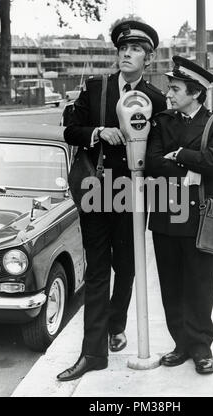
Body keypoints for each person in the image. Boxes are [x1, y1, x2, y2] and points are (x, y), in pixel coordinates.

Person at [57, 20, 166, 382]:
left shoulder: (156, 97)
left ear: (148, 59)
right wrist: (98, 132)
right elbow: (70, 130)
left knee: (129, 264)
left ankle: (116, 323)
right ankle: (93, 353)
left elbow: (161, 148)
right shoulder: (97, 88)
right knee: (98, 267)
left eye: (135, 50)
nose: (126, 54)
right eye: (122, 48)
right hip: (97, 187)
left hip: (134, 192)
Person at [145, 56, 213, 374]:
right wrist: (190, 169)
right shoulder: (162, 122)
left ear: (195, 92)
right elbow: (153, 161)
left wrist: (180, 155)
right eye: (170, 87)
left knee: (200, 284)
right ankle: (180, 344)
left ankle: (201, 348)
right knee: (170, 284)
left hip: (201, 217)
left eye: (174, 88)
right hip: (166, 214)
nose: (168, 93)